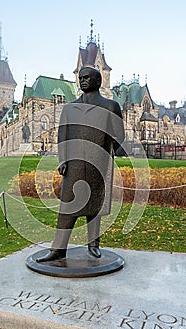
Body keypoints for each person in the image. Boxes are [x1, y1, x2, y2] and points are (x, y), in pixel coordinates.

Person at [37, 66, 125, 263]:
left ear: (98, 81)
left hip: (99, 162)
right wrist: (62, 160)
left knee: (95, 204)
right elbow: (63, 136)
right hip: (75, 164)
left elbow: (119, 134)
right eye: (81, 77)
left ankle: (93, 244)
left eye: (87, 77)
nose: (83, 80)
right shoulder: (69, 108)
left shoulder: (110, 106)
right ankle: (59, 248)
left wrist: (107, 149)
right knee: (68, 205)